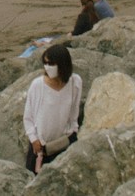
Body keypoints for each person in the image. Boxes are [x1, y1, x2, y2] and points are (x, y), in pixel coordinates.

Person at [22, 43, 82, 174]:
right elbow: (28, 117)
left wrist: (74, 132)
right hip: (41, 148)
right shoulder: (37, 85)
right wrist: (34, 139)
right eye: (45, 63)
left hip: (64, 143)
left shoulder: (75, 82)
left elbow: (74, 112)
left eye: (51, 64)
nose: (47, 67)